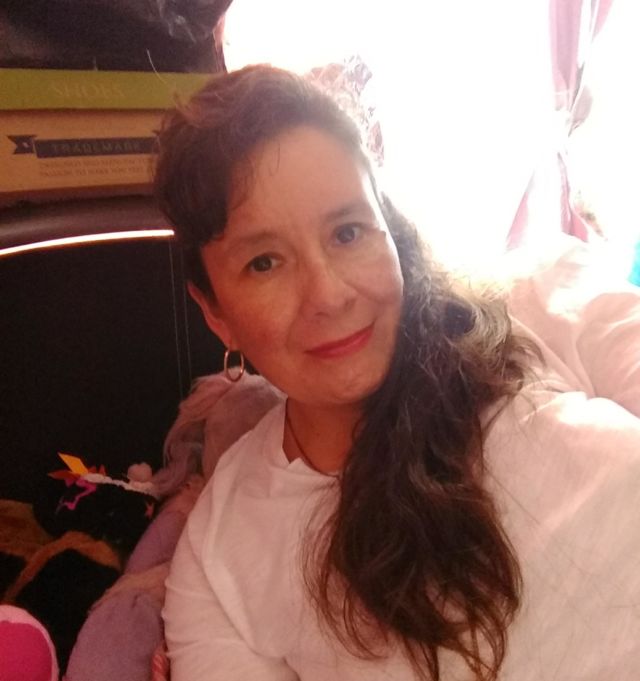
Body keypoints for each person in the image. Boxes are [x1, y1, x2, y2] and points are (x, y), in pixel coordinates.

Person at [154, 65, 640, 681]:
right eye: (265, 263)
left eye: (347, 232)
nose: (329, 295)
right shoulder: (219, 558)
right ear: (215, 314)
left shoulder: (547, 299)